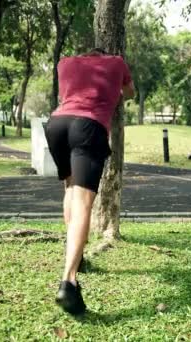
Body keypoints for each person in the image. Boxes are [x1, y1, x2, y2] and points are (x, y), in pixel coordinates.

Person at [45, 48, 134, 315]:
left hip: (57, 124)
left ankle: (78, 256)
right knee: (83, 202)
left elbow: (66, 97)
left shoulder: (65, 63)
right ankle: (69, 281)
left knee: (71, 190)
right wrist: (113, 94)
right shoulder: (117, 63)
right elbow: (130, 94)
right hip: (89, 127)